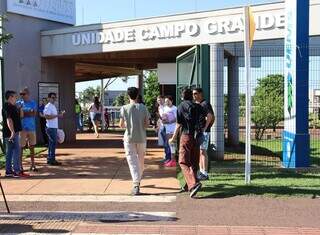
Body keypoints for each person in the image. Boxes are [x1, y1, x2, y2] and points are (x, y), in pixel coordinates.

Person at [169, 88, 205, 198]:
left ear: (182, 97)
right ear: (192, 96)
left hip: (186, 135)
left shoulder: (180, 107)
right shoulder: (198, 106)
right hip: (197, 136)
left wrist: (173, 137)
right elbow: (203, 121)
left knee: (183, 161)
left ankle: (193, 184)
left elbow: (179, 124)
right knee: (194, 162)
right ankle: (187, 185)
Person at [119, 87, 150, 195]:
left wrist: (128, 124)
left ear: (128, 96)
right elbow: (147, 124)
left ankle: (136, 183)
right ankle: (138, 180)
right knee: (141, 160)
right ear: (137, 95)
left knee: (132, 160)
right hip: (141, 137)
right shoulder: (144, 108)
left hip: (129, 137)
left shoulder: (124, 108)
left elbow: (121, 124)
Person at [2, 90, 29, 178]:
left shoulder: (12, 107)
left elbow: (21, 116)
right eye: (15, 97)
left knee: (10, 153)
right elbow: (8, 119)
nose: (16, 98)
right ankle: (16, 171)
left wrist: (20, 108)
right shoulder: (7, 106)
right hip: (12, 134)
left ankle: (9, 171)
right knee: (16, 152)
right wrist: (12, 131)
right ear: (10, 97)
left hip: (14, 133)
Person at [193, 88, 215, 180]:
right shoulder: (197, 104)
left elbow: (211, 116)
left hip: (204, 132)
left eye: (196, 93)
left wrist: (205, 128)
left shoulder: (205, 104)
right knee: (200, 151)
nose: (194, 95)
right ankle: (201, 171)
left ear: (201, 94)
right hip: (198, 131)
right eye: (193, 94)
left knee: (203, 151)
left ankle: (205, 173)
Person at [18, 87, 38, 172]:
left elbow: (33, 114)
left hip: (31, 128)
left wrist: (23, 112)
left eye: (23, 94)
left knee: (32, 147)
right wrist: (28, 112)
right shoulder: (19, 103)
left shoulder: (33, 102)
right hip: (22, 129)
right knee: (21, 147)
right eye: (21, 94)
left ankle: (33, 164)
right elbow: (19, 115)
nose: (22, 96)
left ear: (28, 94)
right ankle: (20, 165)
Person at [44, 92, 64, 166]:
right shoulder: (48, 106)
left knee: (52, 143)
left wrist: (58, 115)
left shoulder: (52, 106)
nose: (54, 99)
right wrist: (57, 115)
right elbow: (46, 116)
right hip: (50, 127)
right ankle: (51, 159)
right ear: (48, 98)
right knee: (53, 143)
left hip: (53, 127)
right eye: (52, 97)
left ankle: (50, 159)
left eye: (55, 97)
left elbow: (53, 116)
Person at [162, 95, 177, 167]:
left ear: (172, 101)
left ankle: (173, 160)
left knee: (172, 144)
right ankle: (171, 159)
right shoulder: (164, 108)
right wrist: (164, 120)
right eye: (165, 102)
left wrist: (169, 122)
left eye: (168, 101)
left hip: (173, 128)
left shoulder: (175, 108)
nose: (167, 103)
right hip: (167, 128)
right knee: (169, 144)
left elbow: (177, 119)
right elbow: (163, 118)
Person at [156, 95, 171, 163]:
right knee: (165, 143)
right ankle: (166, 156)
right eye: (158, 100)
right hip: (162, 127)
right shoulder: (159, 107)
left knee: (168, 143)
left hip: (168, 127)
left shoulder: (166, 106)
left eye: (160, 100)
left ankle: (169, 157)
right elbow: (161, 118)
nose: (159, 101)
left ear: (163, 99)